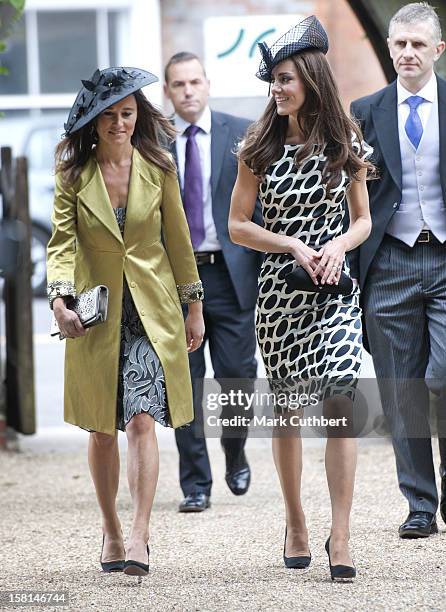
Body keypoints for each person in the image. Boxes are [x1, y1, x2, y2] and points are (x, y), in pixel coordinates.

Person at [229, 16, 372, 580]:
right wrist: (288, 243)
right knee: (287, 412)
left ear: (311, 77)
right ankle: (296, 521)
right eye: (273, 81)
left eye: (285, 79)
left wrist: (337, 244)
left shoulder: (346, 143)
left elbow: (361, 221)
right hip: (280, 295)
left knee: (340, 406)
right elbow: (238, 224)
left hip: (334, 292)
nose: (277, 89)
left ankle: (341, 534)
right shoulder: (257, 147)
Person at [46, 66, 205, 576]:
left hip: (149, 310)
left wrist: (193, 304)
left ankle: (139, 534)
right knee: (100, 429)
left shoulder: (158, 166)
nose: (120, 123)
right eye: (110, 115)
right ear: (93, 122)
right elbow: (63, 244)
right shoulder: (73, 175)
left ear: (139, 116)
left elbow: (178, 241)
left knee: (141, 420)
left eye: (128, 113)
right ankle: (111, 531)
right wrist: (58, 300)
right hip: (96, 313)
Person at [350, 2, 446, 538]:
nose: (407, 53)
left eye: (417, 44)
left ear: (438, 49)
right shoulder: (365, 110)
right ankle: (419, 504)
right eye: (398, 43)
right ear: (389, 48)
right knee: (400, 386)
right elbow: (346, 193)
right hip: (388, 261)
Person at [163, 52, 263, 512]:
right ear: (168, 91)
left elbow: (261, 206)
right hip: (175, 280)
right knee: (186, 385)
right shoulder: (155, 141)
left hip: (231, 274)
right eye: (178, 84)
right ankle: (195, 484)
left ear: (208, 84)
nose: (187, 91)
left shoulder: (241, 133)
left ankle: (235, 449)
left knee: (237, 377)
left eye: (194, 82)